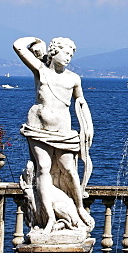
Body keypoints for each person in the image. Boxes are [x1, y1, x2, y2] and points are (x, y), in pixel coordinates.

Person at [14, 36, 95, 237]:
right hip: (38, 127)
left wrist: (88, 127)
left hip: (63, 130)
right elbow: (18, 46)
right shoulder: (40, 71)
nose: (69, 57)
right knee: (43, 169)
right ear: (54, 52)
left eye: (71, 54)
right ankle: (49, 217)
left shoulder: (74, 79)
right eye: (66, 53)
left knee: (69, 168)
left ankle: (79, 208)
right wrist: (35, 40)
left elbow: (81, 103)